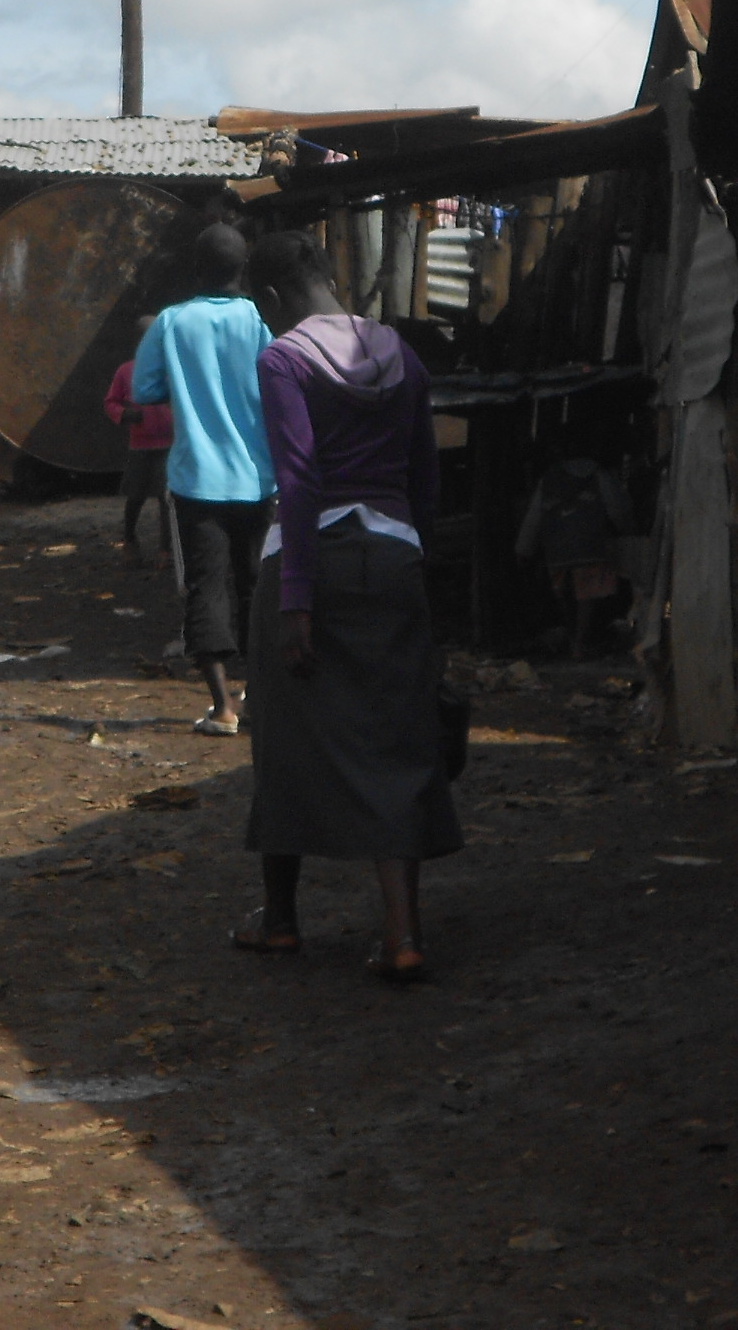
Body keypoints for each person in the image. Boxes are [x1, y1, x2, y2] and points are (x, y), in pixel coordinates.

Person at [232, 229, 458, 983]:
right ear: (333, 276)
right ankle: (403, 935)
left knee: (285, 739)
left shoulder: (283, 359)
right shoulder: (402, 356)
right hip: (394, 559)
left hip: (310, 564)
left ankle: (282, 921)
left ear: (269, 300)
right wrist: (417, 568)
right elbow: (428, 479)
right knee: (395, 739)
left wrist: (297, 598)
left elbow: (297, 480)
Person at [130, 224, 274, 737]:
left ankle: (222, 709)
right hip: (259, 479)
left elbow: (145, 390)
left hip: (196, 481)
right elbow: (280, 381)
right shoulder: (261, 319)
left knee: (205, 587)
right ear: (244, 269)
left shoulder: (171, 322)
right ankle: (259, 696)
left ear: (196, 271)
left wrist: (190, 383)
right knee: (257, 586)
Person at [514, 455, 634, 659]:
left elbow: (534, 518)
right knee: (586, 599)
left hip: (557, 551)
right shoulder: (599, 475)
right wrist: (628, 531)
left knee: (566, 597)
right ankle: (580, 644)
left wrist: (523, 549)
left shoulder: (549, 479)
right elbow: (617, 510)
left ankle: (574, 641)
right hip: (591, 548)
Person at [104, 315, 175, 566]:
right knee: (135, 496)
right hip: (140, 446)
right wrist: (124, 415)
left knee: (166, 499)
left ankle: (167, 550)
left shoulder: (171, 368)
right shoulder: (126, 371)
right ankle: (130, 540)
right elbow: (111, 402)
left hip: (168, 445)